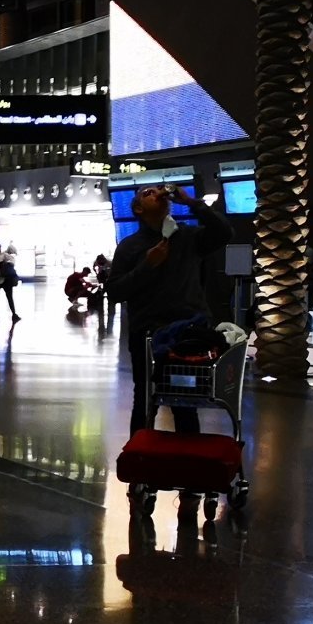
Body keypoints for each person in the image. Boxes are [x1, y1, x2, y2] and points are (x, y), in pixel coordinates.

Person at [104, 183, 231, 437]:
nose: (157, 194)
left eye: (158, 191)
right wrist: (147, 265)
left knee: (185, 402)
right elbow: (115, 291)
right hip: (147, 335)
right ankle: (139, 455)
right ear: (138, 209)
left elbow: (224, 233)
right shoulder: (130, 246)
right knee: (145, 398)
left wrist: (192, 203)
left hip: (187, 335)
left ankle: (187, 456)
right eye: (147, 193)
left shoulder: (187, 237)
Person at [0, 244, 21, 321]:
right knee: (10, 297)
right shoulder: (10, 257)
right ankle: (14, 314)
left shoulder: (1, 255)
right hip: (8, 280)